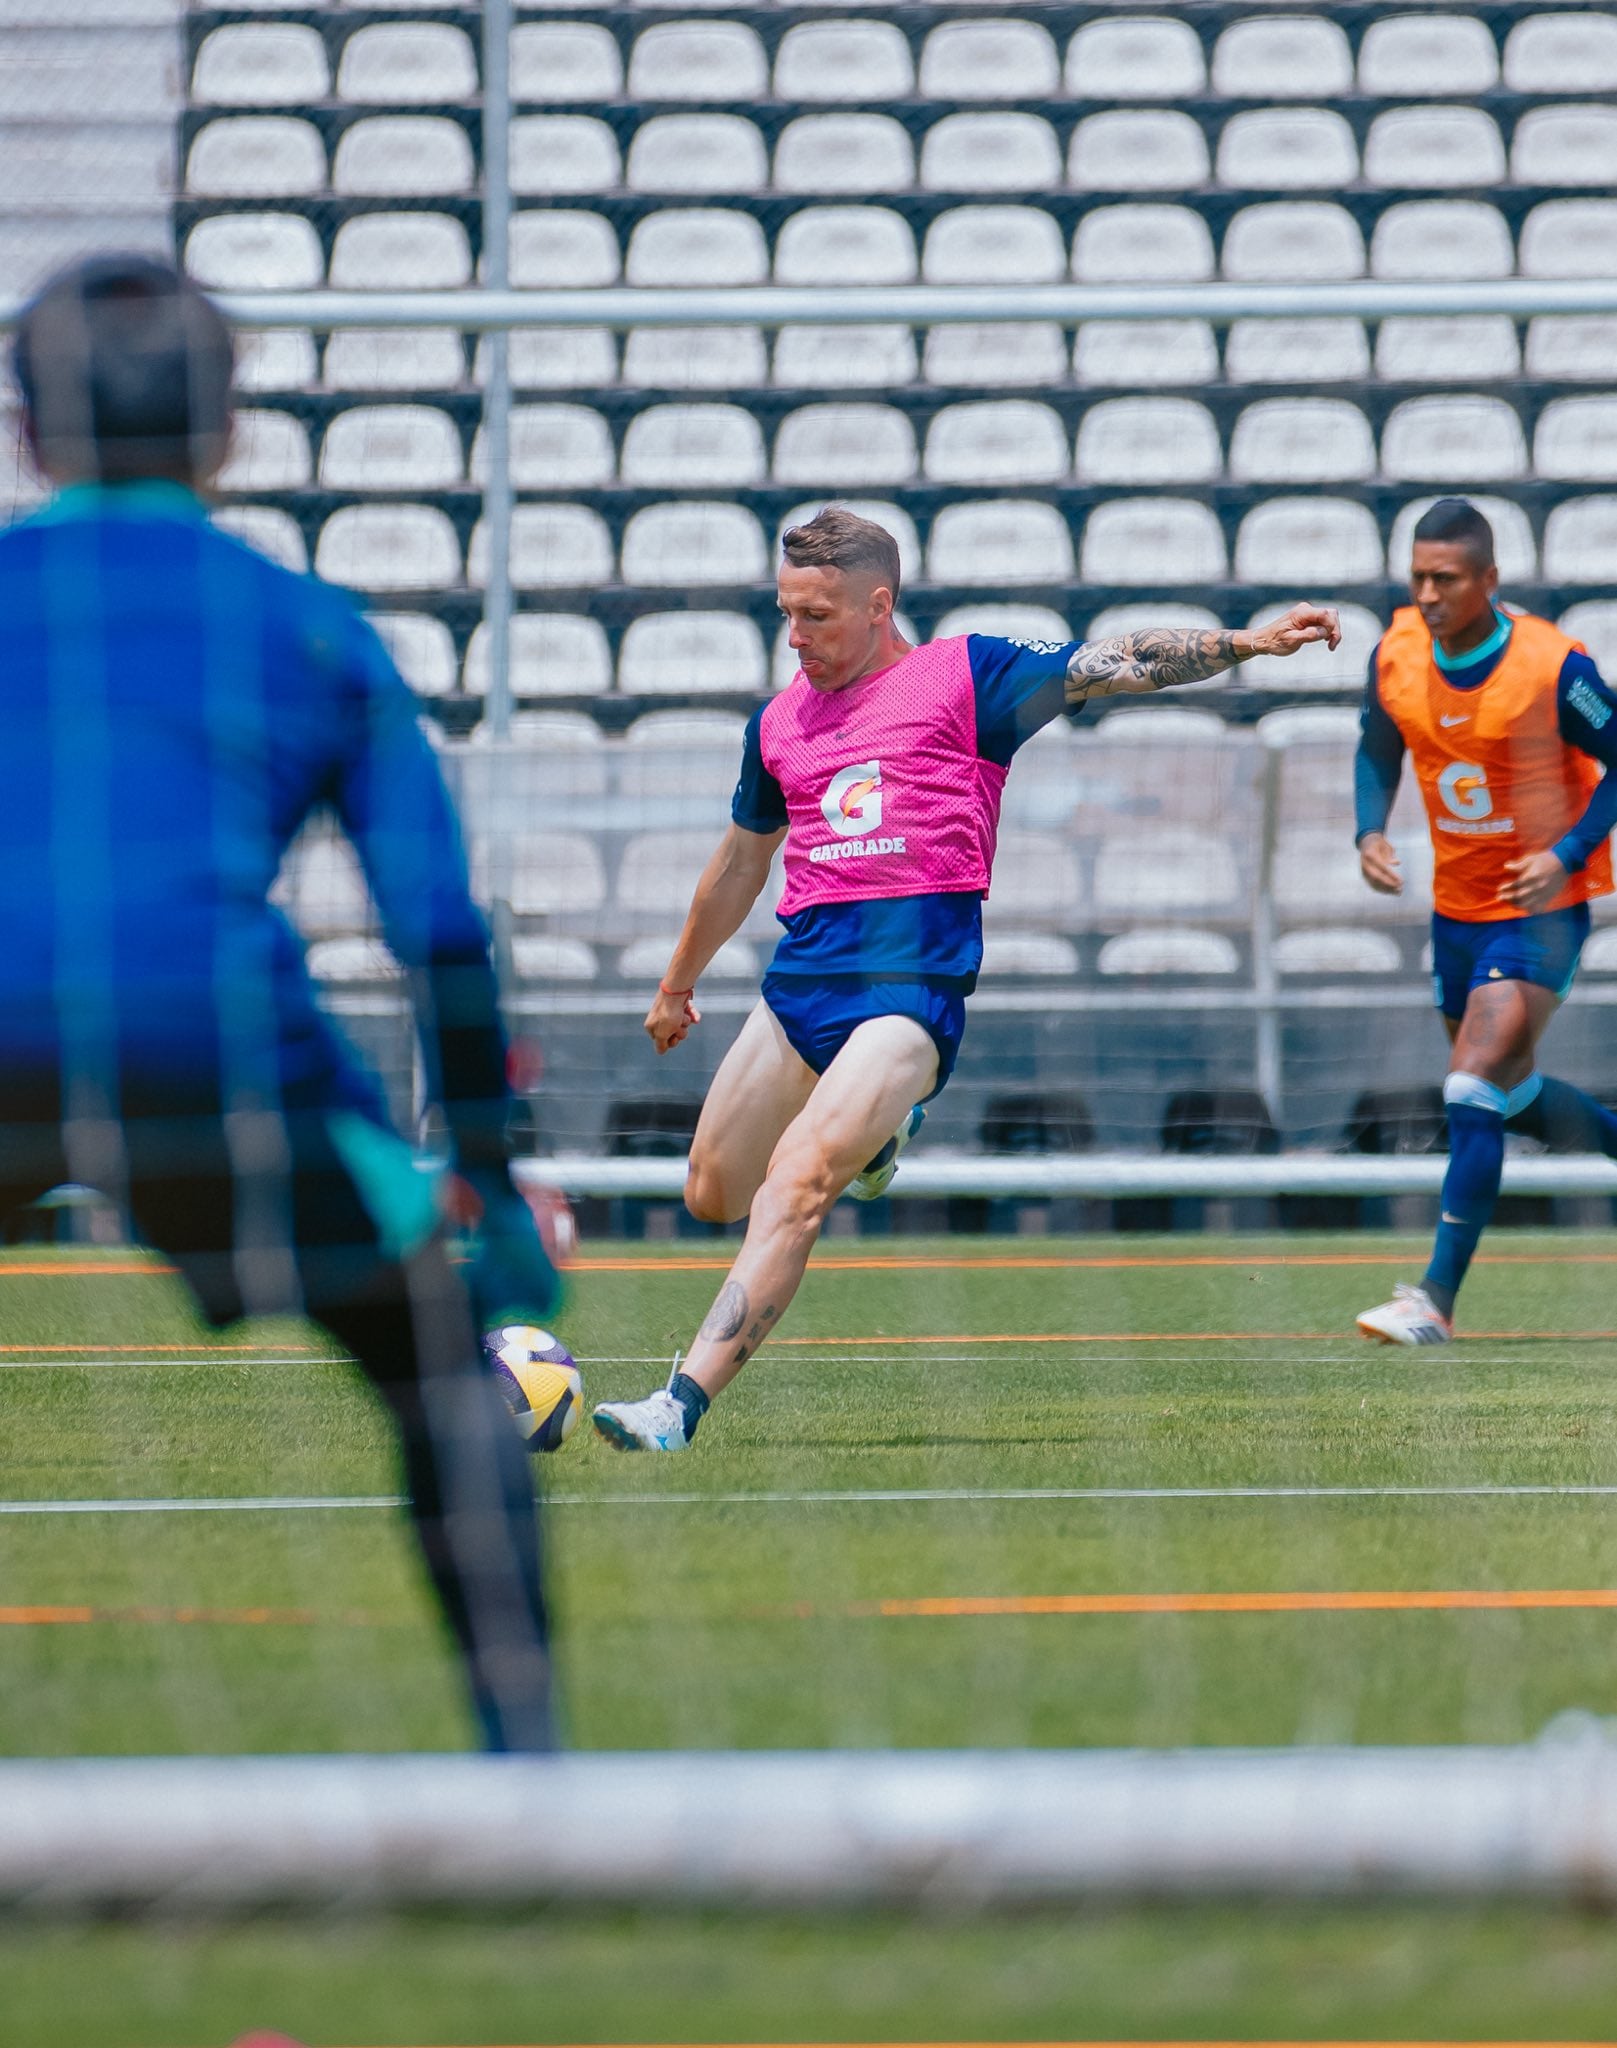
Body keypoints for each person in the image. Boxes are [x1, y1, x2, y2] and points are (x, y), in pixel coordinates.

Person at [3, 254, 561, 1747]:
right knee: (441, 1360)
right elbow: (437, 929)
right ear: (226, 430)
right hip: (213, 1042)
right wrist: (489, 1174)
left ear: (28, 432)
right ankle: (529, 1765)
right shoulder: (308, 627)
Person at [592, 504, 1340, 1450]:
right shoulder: (777, 723)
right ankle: (880, 1134)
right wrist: (675, 985)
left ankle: (678, 1405)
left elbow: (1112, 662)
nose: (796, 636)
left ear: (878, 605)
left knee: (795, 1181)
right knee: (711, 1192)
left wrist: (1244, 644)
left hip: (907, 999)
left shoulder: (968, 677)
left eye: (817, 615)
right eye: (786, 614)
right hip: (800, 991)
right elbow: (742, 861)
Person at [1354, 498, 1617, 1346]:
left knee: (1468, 1085)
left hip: (1539, 914)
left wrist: (1565, 854)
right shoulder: (1395, 651)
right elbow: (1376, 745)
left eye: (1446, 579)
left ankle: (1432, 1300)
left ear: (1489, 580)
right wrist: (1367, 830)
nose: (1428, 595)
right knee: (1507, 1094)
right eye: (1417, 578)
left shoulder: (1552, 665)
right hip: (1455, 913)